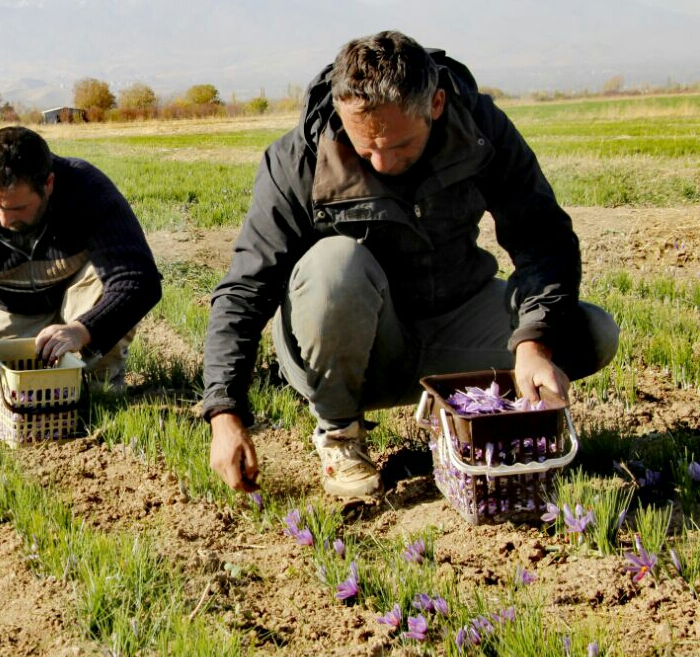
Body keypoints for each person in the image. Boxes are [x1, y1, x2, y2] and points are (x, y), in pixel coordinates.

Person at [202, 31, 619, 499]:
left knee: (589, 334)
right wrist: (224, 411)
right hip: (353, 350)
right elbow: (245, 288)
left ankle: (472, 415)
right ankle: (340, 433)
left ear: (435, 104)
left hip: (453, 319)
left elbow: (541, 236)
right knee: (335, 264)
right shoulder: (298, 159)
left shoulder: (479, 129)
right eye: (366, 147)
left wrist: (534, 344)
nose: (381, 162)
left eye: (399, 145)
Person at [0, 125, 161, 406]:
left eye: (16, 208)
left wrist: (81, 330)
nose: (3, 220)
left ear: (48, 184)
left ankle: (99, 382)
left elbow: (139, 280)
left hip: (80, 305)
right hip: (13, 311)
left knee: (91, 396)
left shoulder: (87, 190)